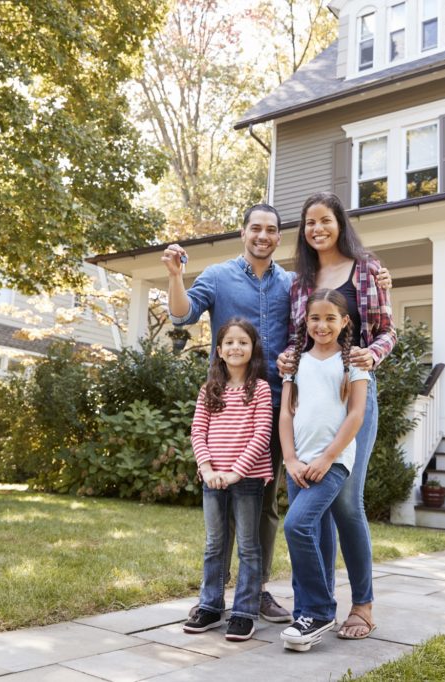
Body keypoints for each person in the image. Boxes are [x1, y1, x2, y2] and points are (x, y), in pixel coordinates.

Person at [164, 204, 294, 623]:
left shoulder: (291, 284)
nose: (263, 235)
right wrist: (174, 276)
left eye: (271, 230)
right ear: (243, 233)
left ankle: (255, 592)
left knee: (265, 507)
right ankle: (213, 597)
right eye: (256, 228)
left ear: (278, 237)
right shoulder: (219, 276)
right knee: (222, 506)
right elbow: (181, 315)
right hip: (227, 410)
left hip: (276, 409)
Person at [277, 191, 396, 641]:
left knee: (347, 502)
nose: (317, 229)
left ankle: (362, 605)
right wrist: (288, 362)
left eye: (324, 220)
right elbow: (296, 337)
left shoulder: (366, 268)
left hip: (353, 390)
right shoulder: (299, 280)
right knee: (315, 506)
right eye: (309, 223)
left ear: (339, 223)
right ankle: (318, 606)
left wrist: (370, 356)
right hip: (311, 395)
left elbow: (387, 331)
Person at [278, 288, 369, 652]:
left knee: (296, 525)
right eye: (315, 317)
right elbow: (286, 414)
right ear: (306, 320)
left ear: (344, 322)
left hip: (331, 463)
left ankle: (319, 610)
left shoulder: (354, 363)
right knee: (308, 532)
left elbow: (357, 415)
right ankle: (306, 615)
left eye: (331, 318)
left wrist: (328, 457)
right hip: (298, 462)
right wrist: (290, 459)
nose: (322, 324)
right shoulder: (294, 362)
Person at [183, 318, 274, 641]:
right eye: (230, 343)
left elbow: (263, 433)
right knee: (214, 545)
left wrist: (238, 470)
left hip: (246, 478)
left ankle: (245, 612)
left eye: (243, 342)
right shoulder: (210, 389)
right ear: (219, 351)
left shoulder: (260, 389)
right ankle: (209, 606)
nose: (236, 347)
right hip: (213, 477)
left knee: (248, 547)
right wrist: (207, 469)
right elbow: (198, 431)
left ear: (253, 349)